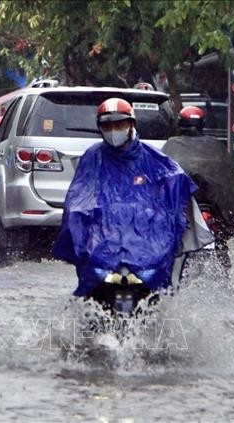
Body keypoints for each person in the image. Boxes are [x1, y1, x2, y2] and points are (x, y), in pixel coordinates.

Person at [53, 98, 202, 297]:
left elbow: (174, 189)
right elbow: (78, 200)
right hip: (104, 244)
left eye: (120, 124)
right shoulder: (92, 157)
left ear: (131, 124)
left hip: (147, 245)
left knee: (162, 286)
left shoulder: (155, 159)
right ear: (100, 128)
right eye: (108, 126)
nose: (114, 130)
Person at [162, 105, 234, 275]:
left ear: (180, 124)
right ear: (203, 124)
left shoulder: (171, 144)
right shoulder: (215, 145)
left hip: (196, 206)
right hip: (207, 205)